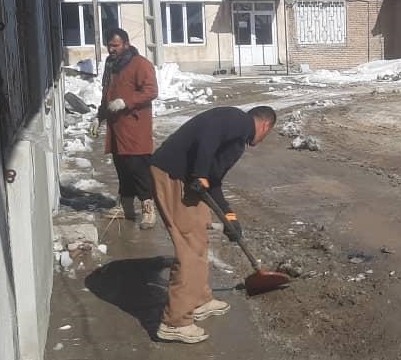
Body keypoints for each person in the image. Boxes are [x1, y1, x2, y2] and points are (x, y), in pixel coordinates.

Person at [149, 105, 277, 343]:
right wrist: (200, 173)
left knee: (200, 235)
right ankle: (174, 322)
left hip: (187, 180)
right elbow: (210, 132)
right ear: (265, 125)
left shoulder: (236, 142)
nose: (262, 140)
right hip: (173, 175)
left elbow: (214, 181)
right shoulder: (238, 120)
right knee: (189, 247)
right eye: (266, 135)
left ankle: (199, 300)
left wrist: (229, 217)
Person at [89, 29, 159, 229]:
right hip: (116, 128)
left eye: (115, 45)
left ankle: (148, 209)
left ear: (126, 44)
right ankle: (126, 207)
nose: (111, 49)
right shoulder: (112, 65)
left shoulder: (140, 64)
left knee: (138, 169)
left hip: (135, 128)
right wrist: (99, 117)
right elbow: (106, 95)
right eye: (109, 45)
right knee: (123, 169)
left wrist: (125, 101)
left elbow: (151, 91)